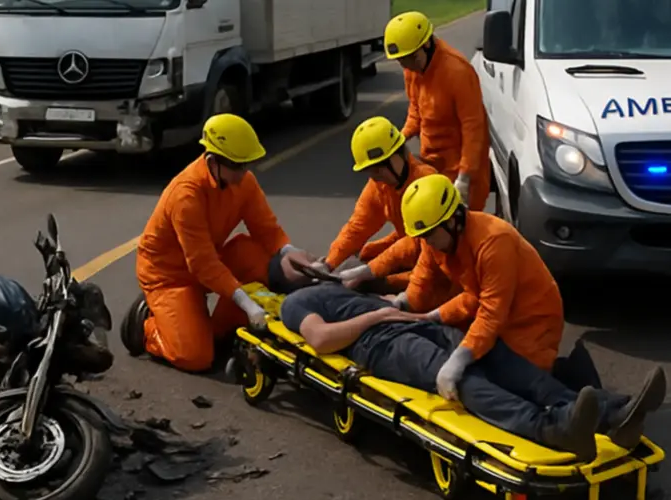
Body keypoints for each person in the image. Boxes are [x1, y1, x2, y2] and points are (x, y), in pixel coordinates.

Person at [279, 283, 667, 460]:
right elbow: (321, 339)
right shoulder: (296, 301)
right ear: (282, 275)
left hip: (416, 325)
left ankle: (613, 411)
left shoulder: (342, 287)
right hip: (384, 346)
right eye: (293, 261)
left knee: (493, 354)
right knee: (465, 380)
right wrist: (378, 314)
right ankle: (551, 428)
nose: (309, 259)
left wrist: (381, 294)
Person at [129, 113, 315, 372]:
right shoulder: (186, 195)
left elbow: (266, 229)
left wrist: (289, 252)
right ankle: (147, 325)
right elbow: (201, 263)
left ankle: (216, 330)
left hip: (210, 260)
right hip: (170, 276)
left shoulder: (242, 181)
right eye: (237, 166)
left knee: (256, 257)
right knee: (194, 357)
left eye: (246, 164)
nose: (244, 172)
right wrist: (247, 303)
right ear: (212, 161)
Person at [392, 173, 569, 403]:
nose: (427, 241)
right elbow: (425, 282)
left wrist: (458, 359)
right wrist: (403, 305)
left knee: (521, 385)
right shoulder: (438, 238)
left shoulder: (494, 241)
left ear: (453, 219)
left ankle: (593, 407)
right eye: (422, 236)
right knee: (483, 365)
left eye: (430, 234)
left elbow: (491, 313)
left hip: (532, 321)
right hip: (500, 314)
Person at [310, 117, 436, 292]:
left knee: (374, 282)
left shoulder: (427, 183)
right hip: (407, 253)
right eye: (369, 171)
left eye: (378, 168)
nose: (375, 176)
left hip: (435, 262)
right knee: (363, 257)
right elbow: (357, 228)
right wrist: (329, 264)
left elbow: (418, 242)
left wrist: (371, 271)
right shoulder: (379, 186)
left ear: (398, 154)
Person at [384, 11, 491, 211]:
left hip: (462, 169)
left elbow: (474, 128)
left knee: (462, 233)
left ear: (426, 45)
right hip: (432, 165)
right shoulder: (413, 69)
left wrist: (465, 178)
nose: (406, 66)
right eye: (401, 61)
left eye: (410, 58)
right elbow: (416, 111)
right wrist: (400, 138)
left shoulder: (456, 71)